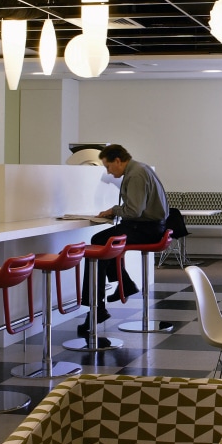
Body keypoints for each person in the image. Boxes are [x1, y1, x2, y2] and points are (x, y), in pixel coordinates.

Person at [78, 144, 169, 336]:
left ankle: (97, 308)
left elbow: (134, 211)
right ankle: (120, 287)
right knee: (102, 241)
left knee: (99, 242)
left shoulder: (135, 174)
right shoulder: (139, 169)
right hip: (151, 226)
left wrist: (113, 210)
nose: (108, 172)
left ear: (118, 160)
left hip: (146, 228)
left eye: (108, 166)